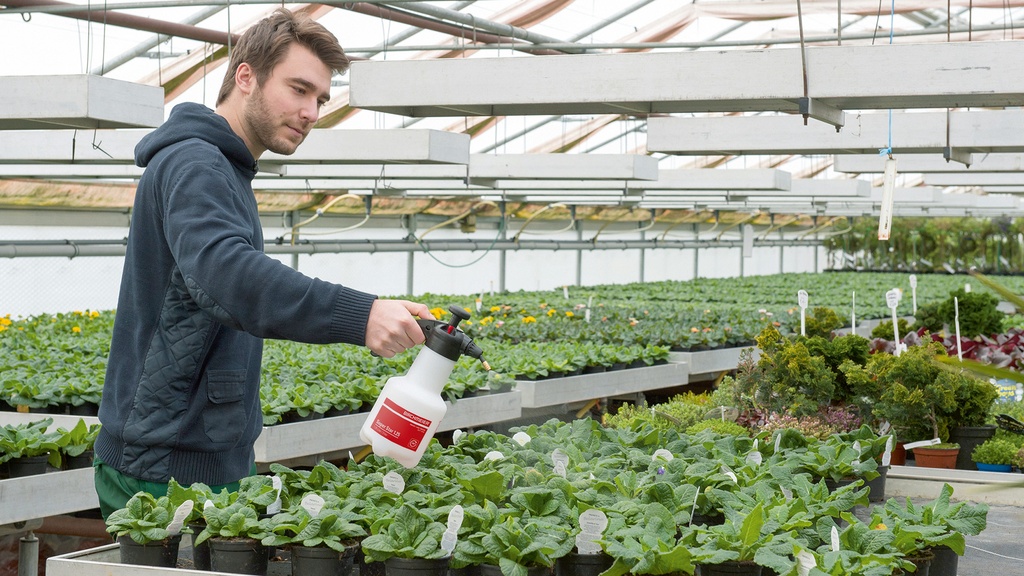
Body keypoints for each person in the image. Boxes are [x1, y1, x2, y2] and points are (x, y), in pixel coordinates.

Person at [93, 8, 433, 519]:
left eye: (319, 98)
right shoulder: (196, 163)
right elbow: (227, 277)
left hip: (204, 452)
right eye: (299, 89)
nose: (312, 112)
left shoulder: (224, 169)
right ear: (245, 76)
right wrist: (361, 315)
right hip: (165, 465)